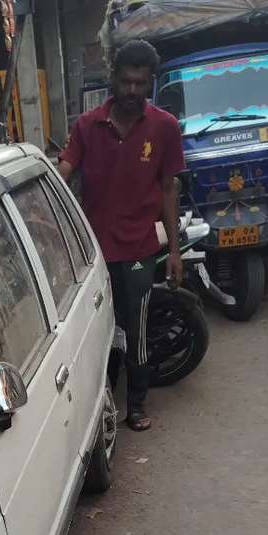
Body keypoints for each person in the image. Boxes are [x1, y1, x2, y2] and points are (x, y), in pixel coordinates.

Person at [58, 38, 186, 432]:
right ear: (112, 78)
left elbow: (168, 189)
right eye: (126, 81)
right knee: (95, 330)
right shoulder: (86, 126)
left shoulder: (165, 128)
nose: (132, 91)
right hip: (92, 250)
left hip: (138, 249)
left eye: (140, 84)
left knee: (137, 327)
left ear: (150, 84)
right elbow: (65, 169)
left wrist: (175, 252)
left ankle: (136, 403)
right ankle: (98, 402)